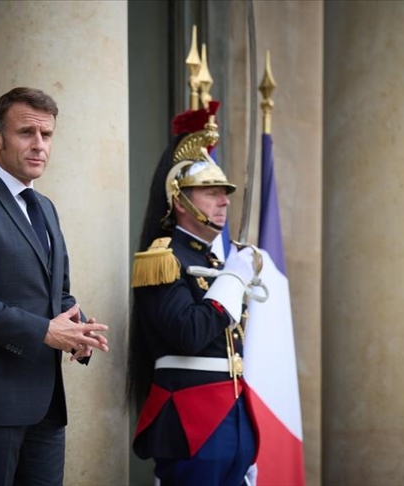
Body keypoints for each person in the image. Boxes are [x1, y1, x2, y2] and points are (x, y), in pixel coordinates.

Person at [0, 87, 109, 485]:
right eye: (26, 132)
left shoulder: (45, 207)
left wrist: (76, 328)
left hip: (46, 405)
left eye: (46, 136)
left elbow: (56, 293)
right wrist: (45, 331)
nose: (39, 145)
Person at [128, 110, 260, 486]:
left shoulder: (213, 259)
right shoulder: (165, 257)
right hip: (192, 419)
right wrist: (234, 277)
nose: (224, 201)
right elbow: (188, 332)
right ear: (181, 201)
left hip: (233, 417)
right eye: (211, 192)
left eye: (225, 193)